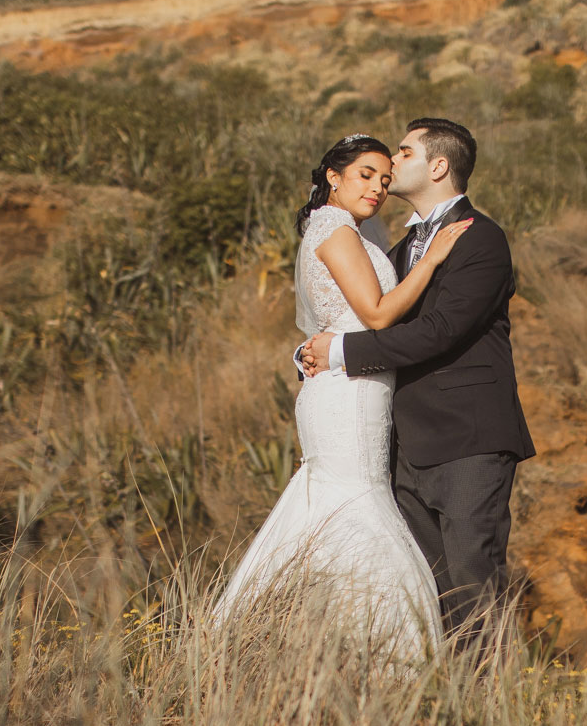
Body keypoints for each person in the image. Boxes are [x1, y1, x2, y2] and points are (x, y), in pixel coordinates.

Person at [214, 133, 473, 654]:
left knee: (342, 505)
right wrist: (431, 260)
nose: (377, 188)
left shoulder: (350, 232)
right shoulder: (333, 229)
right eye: (364, 175)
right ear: (333, 177)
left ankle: (320, 640)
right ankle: (388, 651)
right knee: (355, 506)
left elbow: (341, 319)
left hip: (358, 385)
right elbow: (377, 315)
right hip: (348, 396)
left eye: (384, 179)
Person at [300, 118, 534, 643]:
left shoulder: (482, 239)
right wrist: (314, 351)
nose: (390, 167)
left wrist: (340, 351)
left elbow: (441, 331)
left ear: (437, 166)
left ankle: (491, 710)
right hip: (404, 441)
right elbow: (367, 312)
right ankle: (448, 705)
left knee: (475, 581)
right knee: (430, 590)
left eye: (403, 153)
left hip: (468, 438)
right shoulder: (403, 248)